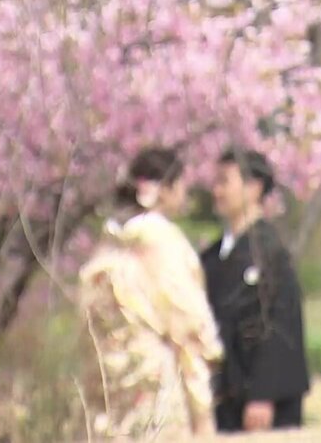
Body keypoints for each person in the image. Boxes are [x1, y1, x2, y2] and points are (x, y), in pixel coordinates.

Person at [78, 147, 223, 438]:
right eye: (180, 185)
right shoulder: (160, 239)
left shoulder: (109, 241)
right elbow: (186, 320)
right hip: (153, 375)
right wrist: (202, 406)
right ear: (165, 190)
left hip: (107, 376)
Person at [201, 149, 310, 432]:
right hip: (221, 393)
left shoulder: (271, 253)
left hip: (257, 397)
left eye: (224, 181)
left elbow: (281, 324)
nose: (216, 191)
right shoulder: (212, 256)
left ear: (254, 187)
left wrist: (264, 393)